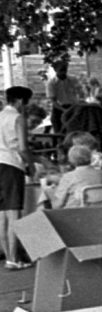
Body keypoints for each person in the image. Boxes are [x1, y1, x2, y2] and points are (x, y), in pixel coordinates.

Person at [0, 87, 35, 270]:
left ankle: (8, 256)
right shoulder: (17, 118)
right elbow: (22, 147)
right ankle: (14, 258)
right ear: (20, 101)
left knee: (2, 215)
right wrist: (31, 164)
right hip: (11, 165)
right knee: (14, 213)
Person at [46, 61, 82, 135]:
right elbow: (53, 100)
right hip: (59, 108)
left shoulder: (73, 80)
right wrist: (64, 110)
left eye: (65, 70)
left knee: (73, 132)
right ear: (56, 70)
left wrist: (78, 103)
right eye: (61, 70)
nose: (63, 72)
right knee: (59, 132)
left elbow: (80, 93)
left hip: (72, 107)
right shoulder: (51, 83)